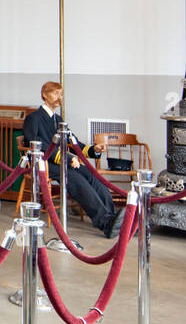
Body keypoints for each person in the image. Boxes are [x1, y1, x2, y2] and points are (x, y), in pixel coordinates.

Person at [23, 81, 124, 238]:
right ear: (44, 94)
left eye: (61, 94)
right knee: (78, 181)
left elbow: (73, 142)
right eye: (55, 93)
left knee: (95, 178)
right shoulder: (33, 118)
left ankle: (113, 220)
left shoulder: (58, 119)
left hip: (64, 162)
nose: (59, 98)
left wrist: (93, 149)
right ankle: (105, 223)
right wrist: (68, 158)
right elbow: (36, 145)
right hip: (46, 164)